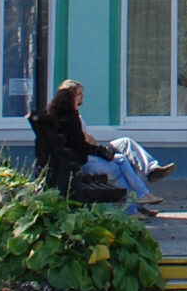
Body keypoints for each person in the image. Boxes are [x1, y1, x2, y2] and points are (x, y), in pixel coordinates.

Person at [44, 80, 175, 216]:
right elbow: (83, 143)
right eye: (79, 94)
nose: (82, 97)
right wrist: (99, 149)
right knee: (122, 164)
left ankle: (151, 172)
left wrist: (95, 145)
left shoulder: (62, 115)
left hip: (83, 154)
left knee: (126, 144)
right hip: (83, 158)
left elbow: (85, 141)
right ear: (70, 96)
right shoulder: (70, 117)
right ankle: (137, 202)